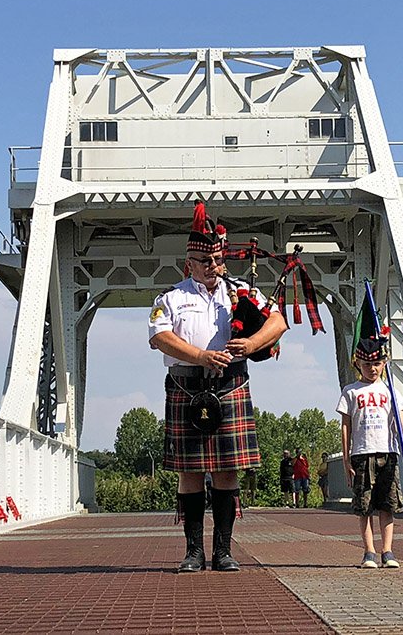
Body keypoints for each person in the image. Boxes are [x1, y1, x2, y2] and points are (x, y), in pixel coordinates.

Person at [148, 202, 287, 573]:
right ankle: (193, 552)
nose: (212, 267)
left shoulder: (240, 293)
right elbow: (160, 337)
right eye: (204, 261)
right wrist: (200, 356)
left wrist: (253, 344)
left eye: (216, 260)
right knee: (189, 473)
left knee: (228, 471)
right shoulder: (171, 298)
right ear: (189, 262)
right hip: (185, 386)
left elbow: (278, 322)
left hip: (230, 387)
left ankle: (223, 552)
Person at [337, 335, 403, 569]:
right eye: (367, 364)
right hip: (362, 453)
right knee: (365, 506)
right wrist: (346, 458)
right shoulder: (351, 392)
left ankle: (388, 551)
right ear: (358, 365)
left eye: (377, 364)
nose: (372, 369)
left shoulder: (391, 390)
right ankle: (369, 551)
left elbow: (402, 424)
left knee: (388, 504)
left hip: (389, 451)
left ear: (384, 364)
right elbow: (345, 426)